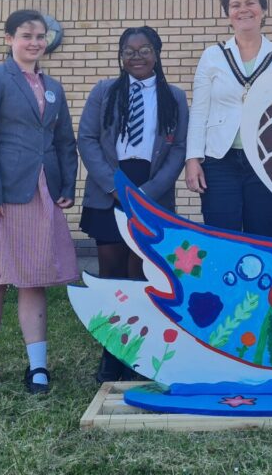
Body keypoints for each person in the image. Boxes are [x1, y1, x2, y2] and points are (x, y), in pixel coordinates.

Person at [0, 9, 79, 395]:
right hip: (2, 194)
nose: (34, 42)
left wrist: (67, 183)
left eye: (40, 36)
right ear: (9, 38)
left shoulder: (54, 87)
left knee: (35, 277)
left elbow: (64, 141)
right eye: (26, 35)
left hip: (42, 192)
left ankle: (39, 367)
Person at [78, 26, 189, 382]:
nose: (136, 56)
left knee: (142, 274)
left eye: (144, 50)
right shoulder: (104, 91)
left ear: (157, 54)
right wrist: (114, 186)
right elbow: (88, 139)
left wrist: (149, 192)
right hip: (108, 189)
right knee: (112, 278)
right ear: (120, 56)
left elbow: (179, 149)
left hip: (151, 193)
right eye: (129, 50)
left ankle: (140, 351)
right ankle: (112, 354)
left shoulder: (173, 96)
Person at [185, 0, 272, 237]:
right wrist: (192, 158)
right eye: (235, 5)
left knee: (262, 234)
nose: (243, 9)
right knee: (222, 237)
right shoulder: (212, 56)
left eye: (250, 3)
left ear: (263, 10)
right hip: (220, 160)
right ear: (228, 13)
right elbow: (199, 111)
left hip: (269, 160)